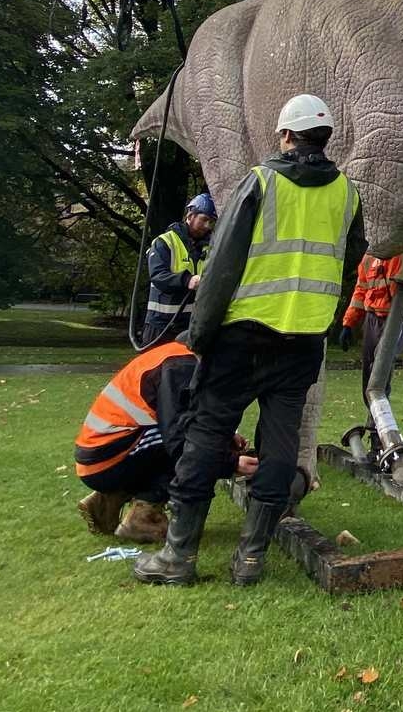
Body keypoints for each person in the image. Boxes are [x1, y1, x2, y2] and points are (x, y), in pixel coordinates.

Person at [134, 93, 366, 587]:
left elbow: (221, 264)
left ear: (285, 135)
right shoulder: (347, 192)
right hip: (303, 340)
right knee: (281, 446)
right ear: (327, 139)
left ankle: (178, 558)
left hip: (242, 336)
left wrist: (200, 332)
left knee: (205, 434)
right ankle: (252, 559)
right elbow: (349, 259)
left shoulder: (260, 182)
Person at [73, 340, 256, 543]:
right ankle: (142, 518)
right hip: (105, 460)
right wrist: (230, 463)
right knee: (192, 447)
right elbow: (179, 441)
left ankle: (111, 499)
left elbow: (183, 416)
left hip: (103, 455)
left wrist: (226, 438)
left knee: (197, 442)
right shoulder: (181, 367)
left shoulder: (180, 356)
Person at [338, 237, 403, 406]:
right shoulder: (369, 256)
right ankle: (374, 419)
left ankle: (378, 424)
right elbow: (360, 291)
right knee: (369, 369)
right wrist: (348, 323)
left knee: (382, 362)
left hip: (402, 315)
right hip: (373, 318)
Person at [142, 193, 218, 344]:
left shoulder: (211, 247)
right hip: (160, 325)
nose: (207, 226)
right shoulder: (164, 242)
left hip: (191, 326)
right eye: (204, 219)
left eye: (211, 221)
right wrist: (187, 280)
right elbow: (158, 276)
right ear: (190, 216)